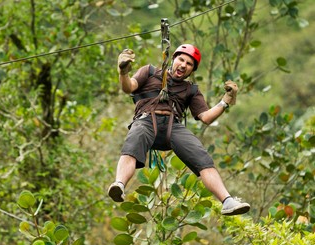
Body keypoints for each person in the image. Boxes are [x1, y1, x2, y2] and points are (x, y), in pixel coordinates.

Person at [107, 44, 250, 216]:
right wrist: (123, 72)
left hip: (172, 127)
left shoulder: (191, 90)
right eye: (181, 59)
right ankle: (119, 185)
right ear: (173, 59)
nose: (183, 65)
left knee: (202, 157)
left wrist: (225, 101)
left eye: (189, 64)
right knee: (133, 144)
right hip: (146, 120)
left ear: (192, 70)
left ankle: (227, 201)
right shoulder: (150, 72)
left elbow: (206, 117)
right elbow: (128, 87)